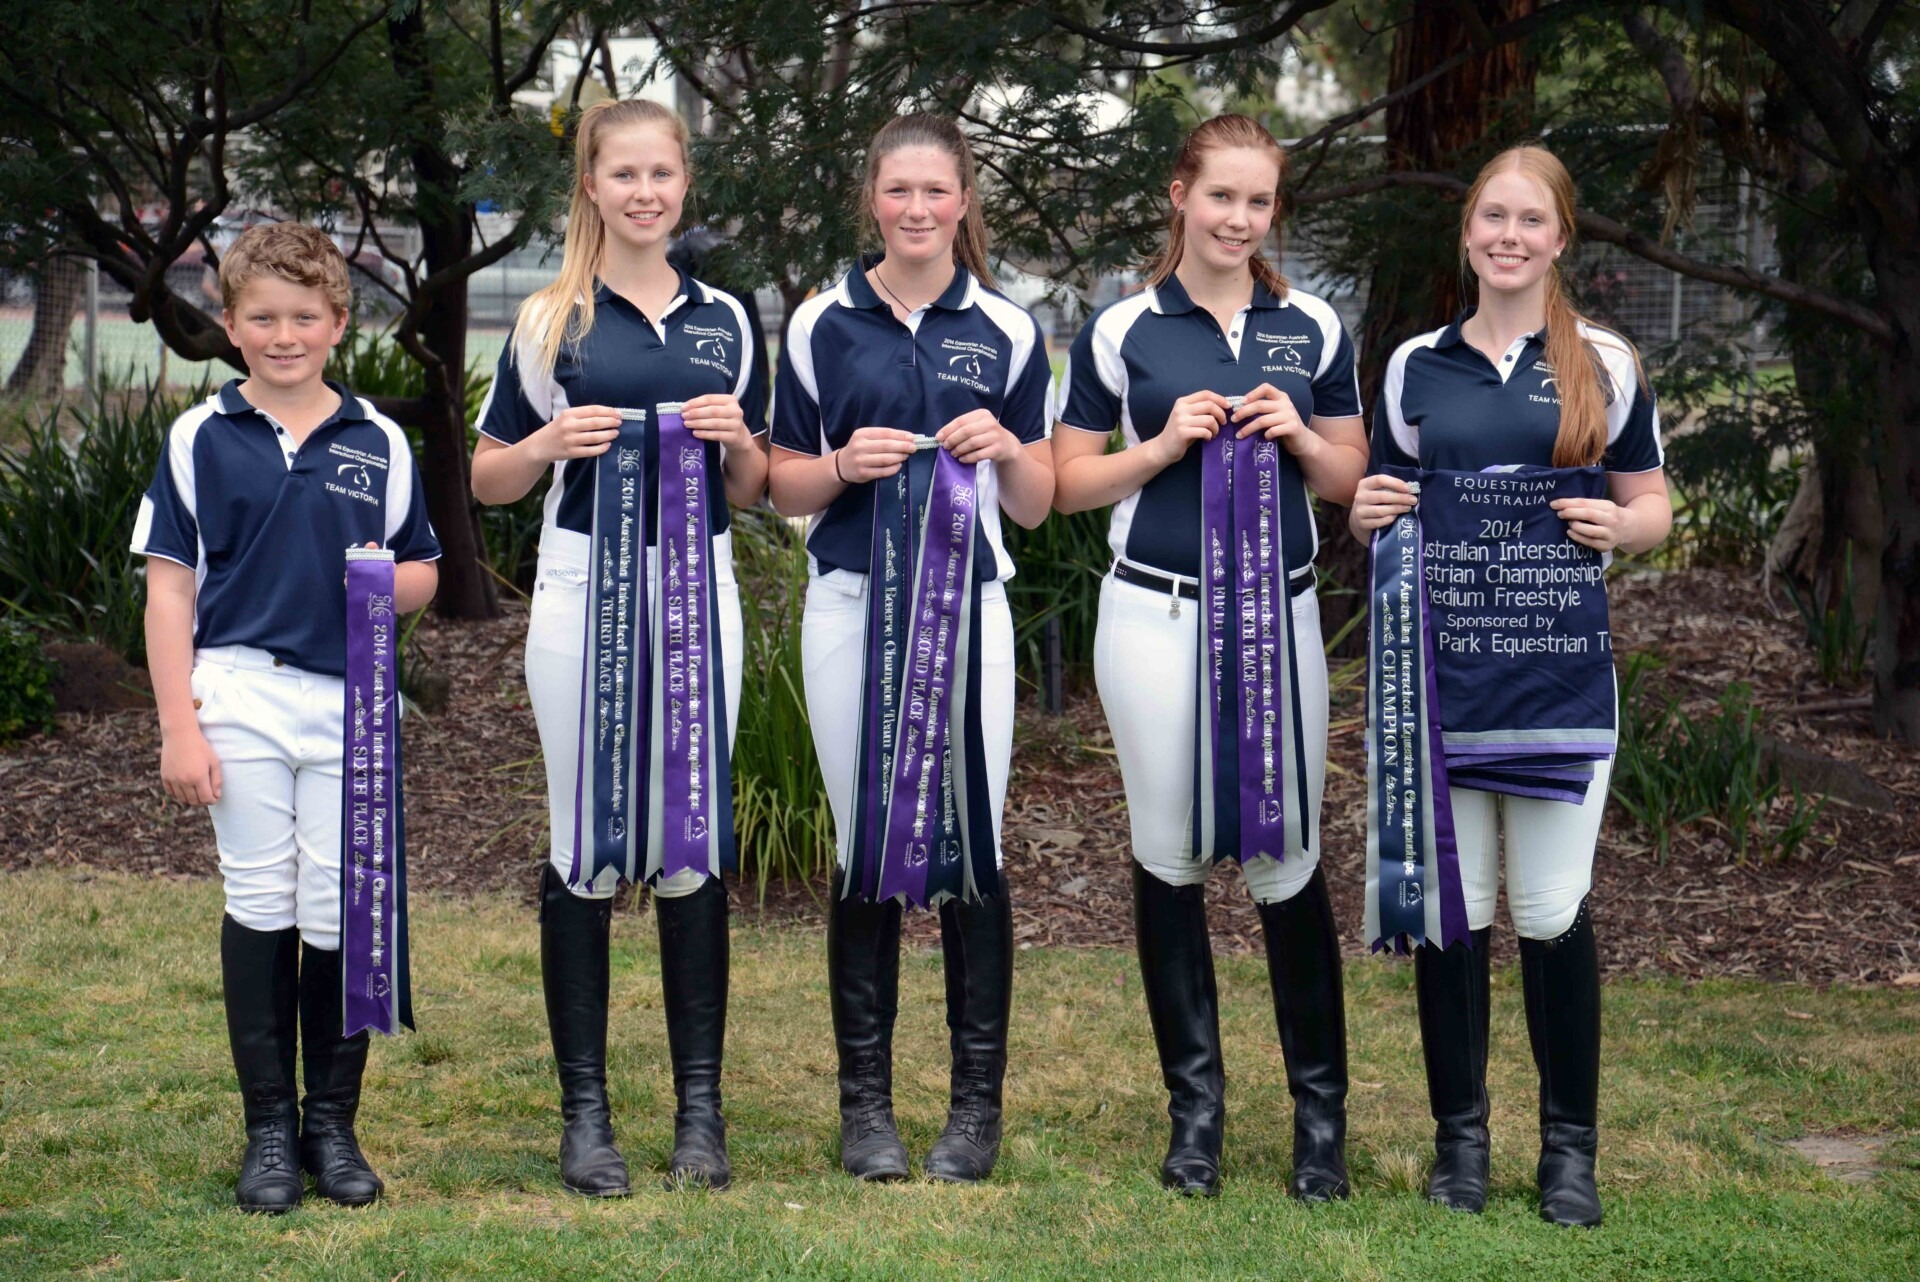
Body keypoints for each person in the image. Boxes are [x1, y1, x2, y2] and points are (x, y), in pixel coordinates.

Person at [1348, 143, 1670, 1227]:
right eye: (1494, 216)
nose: (1510, 237)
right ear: (1468, 231)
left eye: (1532, 220)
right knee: (1457, 903)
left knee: (1549, 908)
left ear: (1560, 238)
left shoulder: (1605, 362)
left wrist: (1621, 523)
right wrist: (1366, 514)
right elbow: (1384, 499)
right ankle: (1462, 1145)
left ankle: (1569, 1153)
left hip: (1558, 678)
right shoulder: (1414, 366)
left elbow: (1654, 505)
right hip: (1441, 679)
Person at [1052, 114, 1368, 1200]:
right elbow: (1064, 485)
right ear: (1180, 194)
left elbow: (1350, 481)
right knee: (1169, 852)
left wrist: (1303, 435)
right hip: (1154, 616)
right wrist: (1159, 446)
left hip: (1278, 616)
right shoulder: (1122, 327)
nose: (1239, 219)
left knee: (1288, 854)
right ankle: (1196, 1116)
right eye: (1221, 195)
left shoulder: (1311, 323)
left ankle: (1319, 1123)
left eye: (1259, 200)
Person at [470, 98, 768, 1195]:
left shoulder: (727, 319)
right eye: (624, 174)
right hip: (581, 590)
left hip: (699, 594)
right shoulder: (549, 319)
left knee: (690, 835)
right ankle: (585, 1116)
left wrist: (740, 446)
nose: (645, 192)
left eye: (662, 174)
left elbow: (756, 486)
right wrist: (547, 441)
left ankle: (700, 1113)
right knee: (583, 836)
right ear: (590, 187)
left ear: (685, 185)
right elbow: (488, 477)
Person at [133, 222, 442, 1212]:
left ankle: (331, 1127)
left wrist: (385, 583)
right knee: (263, 897)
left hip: (353, 702)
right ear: (229, 325)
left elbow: (424, 569)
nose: (284, 335)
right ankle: (269, 1128)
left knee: (341, 905)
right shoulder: (201, 436)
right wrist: (178, 726)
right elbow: (170, 589)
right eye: (262, 318)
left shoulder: (378, 439)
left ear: (339, 323)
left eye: (304, 317)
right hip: (240, 693)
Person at [768, 113, 1053, 1184]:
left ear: (964, 201)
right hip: (849, 605)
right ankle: (867, 1109)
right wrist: (842, 465)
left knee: (973, 835)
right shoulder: (818, 323)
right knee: (865, 840)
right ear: (873, 200)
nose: (919, 209)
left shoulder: (1008, 328)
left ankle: (974, 1110)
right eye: (899, 191)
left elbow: (1036, 504)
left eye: (937, 191)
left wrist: (1009, 447)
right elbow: (777, 482)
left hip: (969, 611)